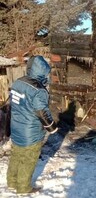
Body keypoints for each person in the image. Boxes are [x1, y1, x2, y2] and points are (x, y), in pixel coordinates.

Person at [6, 55, 58, 195]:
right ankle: (23, 188)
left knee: (16, 154)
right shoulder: (39, 90)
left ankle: (11, 182)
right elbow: (42, 111)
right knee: (28, 159)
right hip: (31, 132)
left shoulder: (18, 82)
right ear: (42, 72)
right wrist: (52, 127)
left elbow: (11, 106)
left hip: (16, 127)